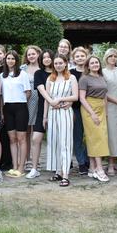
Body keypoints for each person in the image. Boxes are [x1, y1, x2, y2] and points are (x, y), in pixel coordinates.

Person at [44, 54, 79, 187]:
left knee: (65, 142)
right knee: (54, 142)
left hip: (65, 112)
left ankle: (65, 174)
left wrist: (60, 99)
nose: (58, 65)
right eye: (56, 63)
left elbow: (75, 96)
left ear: (65, 64)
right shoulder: (50, 78)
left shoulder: (71, 78)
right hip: (52, 113)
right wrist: (45, 116)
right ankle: (58, 171)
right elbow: (47, 99)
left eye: (60, 63)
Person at [79, 55, 110, 182]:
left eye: (96, 62)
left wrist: (106, 112)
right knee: (97, 138)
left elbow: (105, 95)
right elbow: (82, 98)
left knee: (95, 138)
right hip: (89, 108)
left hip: (101, 108)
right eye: (92, 63)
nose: (95, 65)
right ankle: (99, 169)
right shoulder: (84, 79)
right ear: (88, 66)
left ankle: (92, 168)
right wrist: (92, 113)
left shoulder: (102, 77)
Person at [0, 50, 31, 177]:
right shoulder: (2, 76)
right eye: (8, 58)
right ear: (5, 60)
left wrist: (20, 101)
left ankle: (21, 167)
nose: (10, 61)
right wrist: (2, 111)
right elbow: (1, 95)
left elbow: (28, 92)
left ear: (16, 60)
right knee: (12, 139)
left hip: (20, 107)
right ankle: (14, 166)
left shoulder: (23, 74)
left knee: (21, 138)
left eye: (13, 58)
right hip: (7, 108)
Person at [26, 49, 54, 179]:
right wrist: (52, 102)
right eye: (44, 58)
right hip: (42, 109)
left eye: (49, 57)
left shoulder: (59, 72)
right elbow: (42, 91)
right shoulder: (38, 73)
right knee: (36, 138)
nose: (47, 59)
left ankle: (57, 167)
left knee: (56, 139)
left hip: (58, 109)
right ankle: (34, 168)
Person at [102, 48, 117, 175]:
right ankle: (110, 164)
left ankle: (116, 162)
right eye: (110, 56)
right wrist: (116, 101)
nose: (113, 58)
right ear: (106, 58)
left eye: (115, 56)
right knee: (112, 134)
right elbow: (101, 91)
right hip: (109, 105)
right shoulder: (102, 72)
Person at [70, 46, 90, 175]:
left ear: (86, 57)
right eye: (77, 56)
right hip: (75, 108)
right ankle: (81, 163)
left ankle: (88, 160)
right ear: (73, 59)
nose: (80, 58)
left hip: (90, 108)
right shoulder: (70, 73)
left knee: (90, 136)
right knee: (77, 137)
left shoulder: (90, 71)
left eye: (82, 56)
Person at [21, 45, 41, 172]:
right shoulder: (22, 68)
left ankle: (36, 160)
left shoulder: (43, 68)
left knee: (38, 131)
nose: (31, 56)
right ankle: (28, 159)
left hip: (40, 100)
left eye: (33, 54)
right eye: (29, 54)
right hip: (27, 100)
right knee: (27, 131)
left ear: (38, 54)